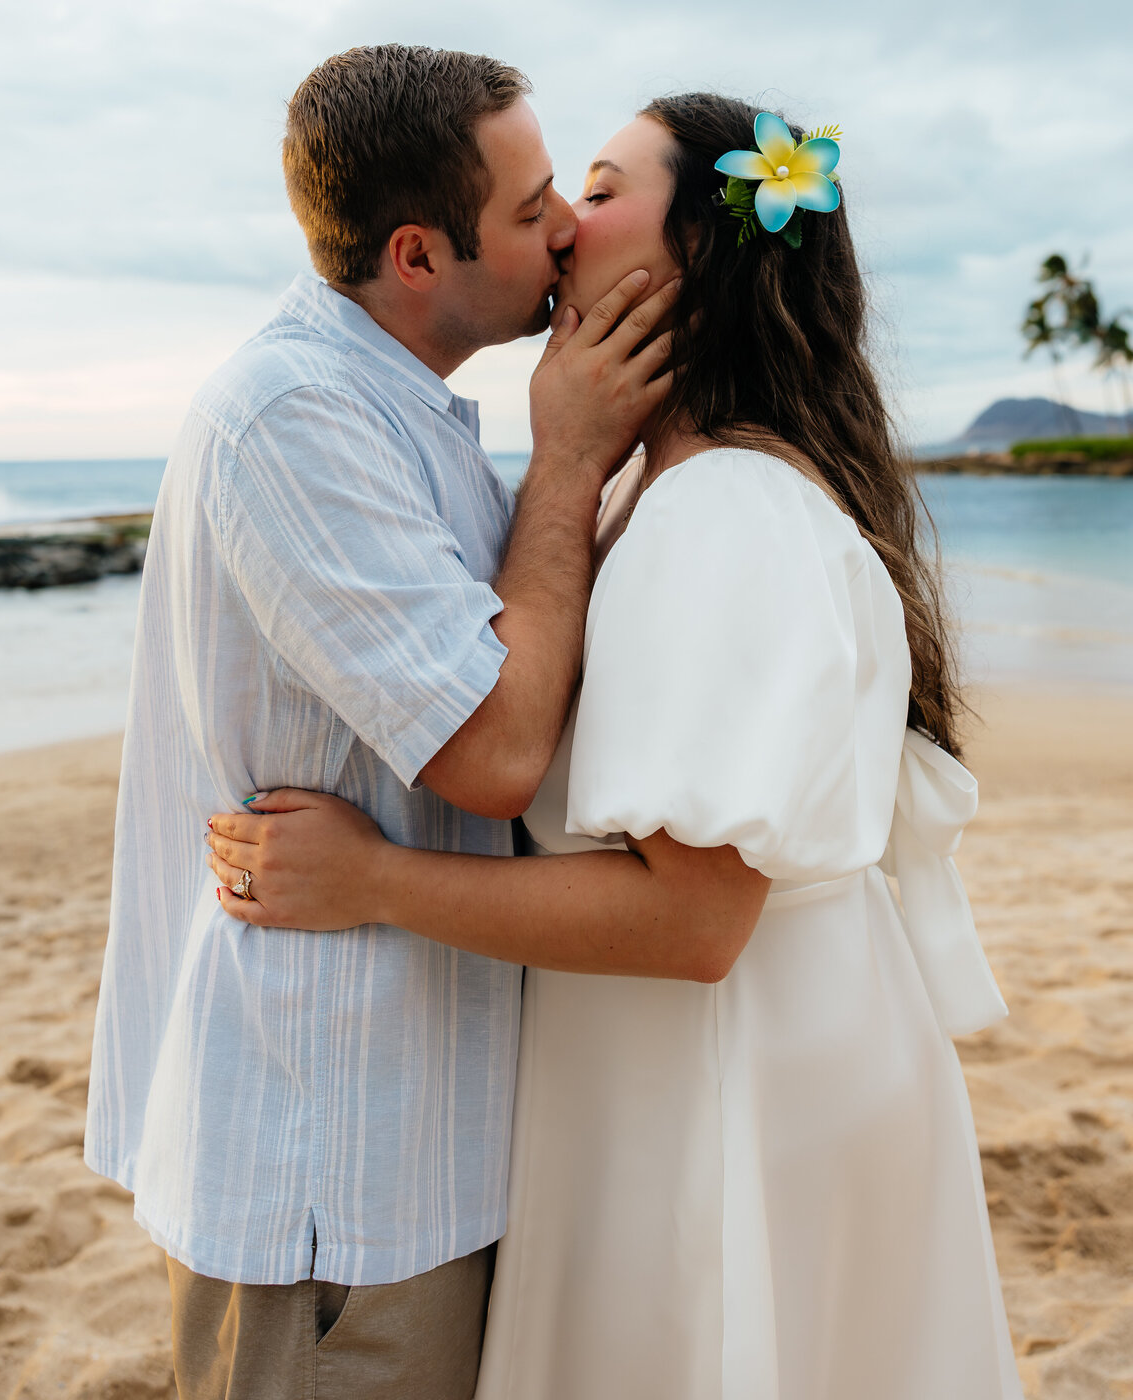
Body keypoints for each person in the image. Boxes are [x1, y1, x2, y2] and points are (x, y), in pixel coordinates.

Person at [207, 92, 1025, 1399]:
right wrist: (569, 463)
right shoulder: (664, 491)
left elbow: (695, 923)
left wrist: (372, 883)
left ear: (694, 254)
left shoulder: (721, 515)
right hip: (739, 1049)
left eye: (598, 185)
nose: (567, 225)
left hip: (723, 1070)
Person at [84, 44, 681, 1400]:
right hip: (335, 1160)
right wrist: (574, 457)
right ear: (418, 256)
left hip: (416, 1132)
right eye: (534, 208)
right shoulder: (296, 416)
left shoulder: (404, 413)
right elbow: (495, 750)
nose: (568, 228)